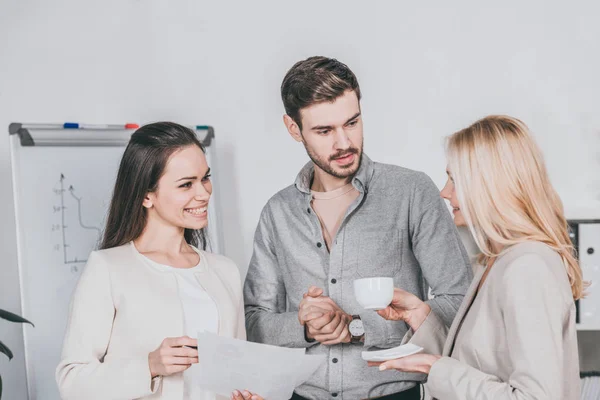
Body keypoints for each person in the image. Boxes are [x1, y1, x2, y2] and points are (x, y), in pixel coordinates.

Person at [244, 56, 473, 400]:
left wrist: (357, 329)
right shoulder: (278, 212)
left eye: (352, 123)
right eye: (324, 131)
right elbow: (252, 322)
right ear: (294, 129)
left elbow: (460, 302)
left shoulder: (410, 192)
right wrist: (304, 327)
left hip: (393, 394)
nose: (344, 143)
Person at [371, 115, 583, 400]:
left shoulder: (527, 268)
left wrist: (437, 369)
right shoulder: (493, 261)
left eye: (454, 180)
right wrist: (418, 316)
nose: (444, 192)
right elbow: (476, 362)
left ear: (490, 186)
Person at [56, 122, 262, 400]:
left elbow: (237, 373)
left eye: (205, 178)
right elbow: (71, 381)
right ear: (146, 195)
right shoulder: (108, 268)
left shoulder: (225, 270)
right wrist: (150, 366)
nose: (203, 193)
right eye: (186, 184)